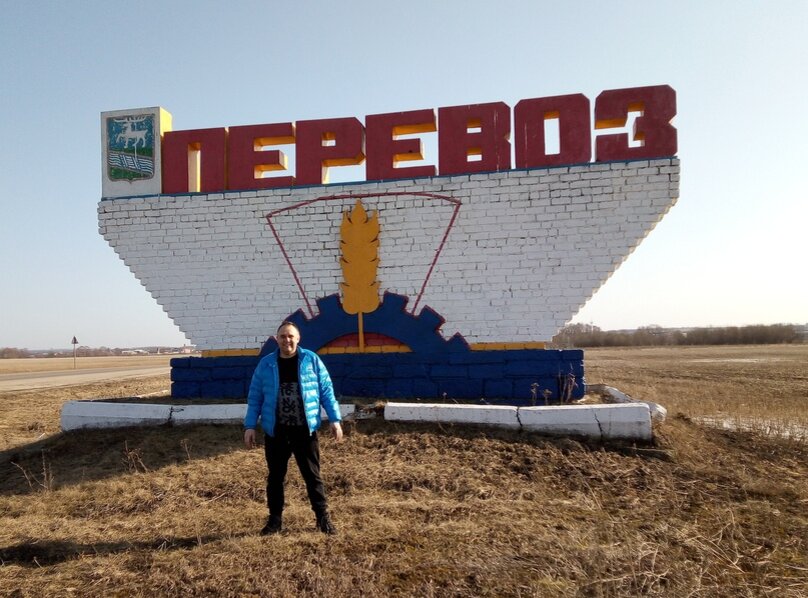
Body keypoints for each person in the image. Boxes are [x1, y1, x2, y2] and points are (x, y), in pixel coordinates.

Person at [243, 321, 344, 535]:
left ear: (298, 339)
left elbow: (326, 391)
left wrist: (335, 419)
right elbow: (255, 397)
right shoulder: (266, 364)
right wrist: (250, 426)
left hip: (304, 432)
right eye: (282, 336)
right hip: (276, 431)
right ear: (276, 339)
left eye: (290, 336)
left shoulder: (311, 360)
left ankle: (322, 518)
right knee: (275, 477)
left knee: (312, 476)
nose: (286, 340)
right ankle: (274, 521)